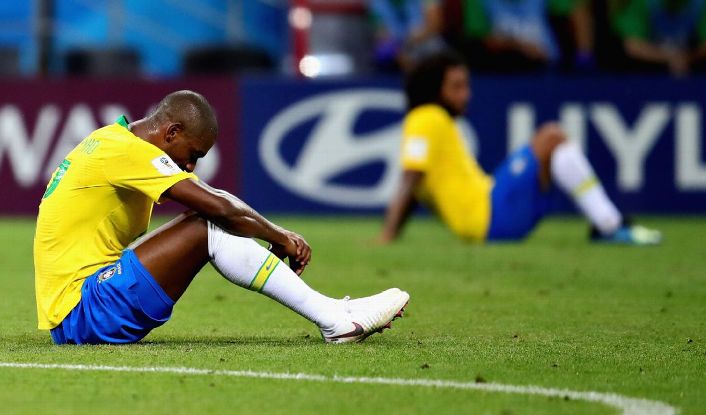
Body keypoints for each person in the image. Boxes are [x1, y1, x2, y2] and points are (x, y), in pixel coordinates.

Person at [34, 90, 409, 345]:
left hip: (82, 308)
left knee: (209, 216)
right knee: (208, 223)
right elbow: (219, 208)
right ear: (172, 131)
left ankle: (334, 309)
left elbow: (217, 197)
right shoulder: (125, 151)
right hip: (84, 314)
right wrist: (279, 237)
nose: (191, 164)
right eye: (193, 153)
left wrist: (273, 231)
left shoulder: (116, 141)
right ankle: (335, 320)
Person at [379, 52, 662, 245]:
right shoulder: (425, 117)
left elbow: (416, 185)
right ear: (434, 89)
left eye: (466, 86)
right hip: (488, 216)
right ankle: (610, 225)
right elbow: (411, 176)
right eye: (457, 87)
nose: (467, 95)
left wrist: (393, 234)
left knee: (555, 150)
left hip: (491, 221)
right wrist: (388, 233)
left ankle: (607, 225)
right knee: (551, 137)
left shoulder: (435, 122)